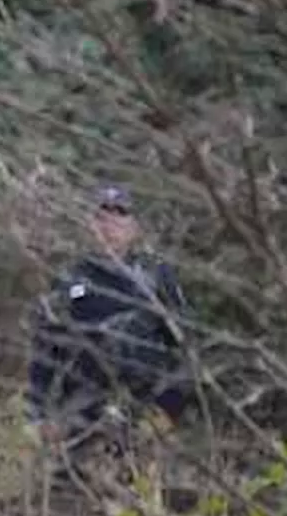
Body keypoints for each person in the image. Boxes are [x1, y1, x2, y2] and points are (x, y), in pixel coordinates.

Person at [26, 184, 190, 444]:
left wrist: (167, 412)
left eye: (120, 216)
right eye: (101, 217)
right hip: (78, 417)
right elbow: (45, 353)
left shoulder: (156, 278)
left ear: (135, 227)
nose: (109, 226)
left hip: (140, 417)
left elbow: (183, 349)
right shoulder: (70, 279)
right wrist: (39, 417)